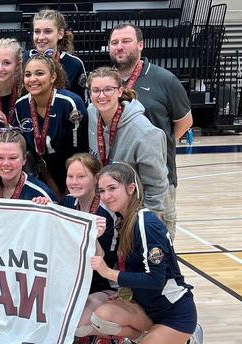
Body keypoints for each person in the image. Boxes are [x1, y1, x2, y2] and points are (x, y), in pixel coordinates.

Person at [89, 162, 204, 344]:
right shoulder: (121, 221)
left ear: (131, 188)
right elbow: (116, 264)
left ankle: (185, 340)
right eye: (102, 191)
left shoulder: (146, 223)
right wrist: (94, 237)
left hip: (174, 313)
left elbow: (155, 280)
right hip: (146, 308)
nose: (106, 196)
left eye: (112, 188)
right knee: (100, 318)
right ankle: (153, 341)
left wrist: (109, 274)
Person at [109, 23, 192, 239]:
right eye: (114, 42)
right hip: (118, 182)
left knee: (157, 248)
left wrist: (154, 147)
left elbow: (185, 121)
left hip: (156, 180)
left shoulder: (164, 79)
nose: (119, 47)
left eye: (126, 41)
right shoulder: (107, 82)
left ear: (140, 45)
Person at [59, 154, 120, 344]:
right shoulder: (67, 202)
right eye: (70, 176)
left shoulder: (108, 214)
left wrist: (94, 237)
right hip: (77, 281)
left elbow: (104, 265)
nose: (74, 182)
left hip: (104, 284)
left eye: (81, 176)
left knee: (78, 324)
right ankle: (88, 334)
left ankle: (110, 335)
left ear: (96, 179)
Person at [86, 67, 168, 217]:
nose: (102, 96)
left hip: (138, 212)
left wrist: (146, 223)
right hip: (109, 209)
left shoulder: (145, 133)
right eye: (96, 90)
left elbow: (156, 187)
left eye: (108, 89)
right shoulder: (92, 112)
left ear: (120, 91)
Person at [14, 54, 87, 198]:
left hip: (73, 176)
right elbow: (30, 152)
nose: (32, 79)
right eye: (28, 74)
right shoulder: (20, 105)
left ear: (53, 77)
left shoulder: (70, 104)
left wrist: (67, 193)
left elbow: (80, 153)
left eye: (39, 73)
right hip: (40, 176)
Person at [0, 130, 56, 201]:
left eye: (12, 158)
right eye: (0, 157)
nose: (6, 163)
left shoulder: (40, 194)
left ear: (24, 159)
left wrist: (44, 208)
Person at [28, 9, 87, 98]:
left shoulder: (74, 64)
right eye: (37, 31)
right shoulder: (23, 59)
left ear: (60, 34)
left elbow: (81, 102)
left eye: (48, 31)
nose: (41, 37)